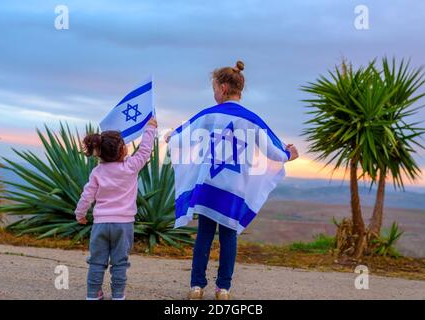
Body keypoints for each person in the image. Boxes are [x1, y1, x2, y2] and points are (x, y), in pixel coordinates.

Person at [166, 61, 298, 300]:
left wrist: (169, 136)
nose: (214, 93)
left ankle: (196, 287)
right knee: (229, 237)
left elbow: (180, 138)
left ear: (224, 88)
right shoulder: (253, 120)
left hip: (209, 185)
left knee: (204, 234)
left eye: (215, 88)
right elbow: (275, 153)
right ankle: (223, 289)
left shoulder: (209, 115)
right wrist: (290, 154)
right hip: (235, 190)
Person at [75, 117, 157, 300]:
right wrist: (150, 128)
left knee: (96, 262)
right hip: (124, 225)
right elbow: (144, 151)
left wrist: (80, 214)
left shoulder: (97, 172)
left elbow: (87, 196)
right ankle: (118, 295)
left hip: (101, 225)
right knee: (120, 263)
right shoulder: (131, 167)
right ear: (123, 149)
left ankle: (92, 294)